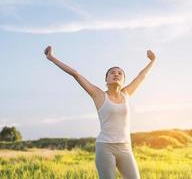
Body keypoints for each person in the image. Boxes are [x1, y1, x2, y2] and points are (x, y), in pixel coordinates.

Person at [44, 45, 156, 179]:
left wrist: (153, 60)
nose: (116, 74)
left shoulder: (126, 94)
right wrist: (51, 58)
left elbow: (141, 76)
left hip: (125, 148)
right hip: (105, 148)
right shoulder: (99, 95)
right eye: (112, 72)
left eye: (120, 73)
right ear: (106, 80)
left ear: (124, 81)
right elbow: (76, 74)